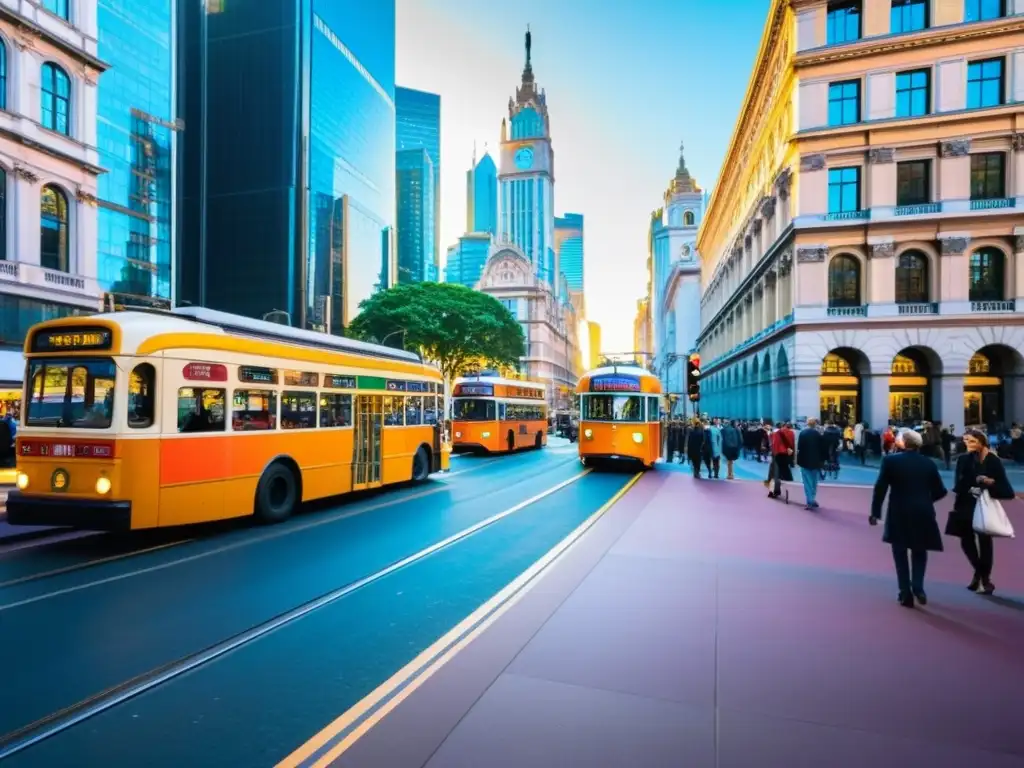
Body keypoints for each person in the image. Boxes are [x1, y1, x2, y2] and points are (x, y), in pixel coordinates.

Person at [869, 429, 947, 607]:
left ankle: (905, 592)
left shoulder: (890, 461)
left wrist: (875, 512)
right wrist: (926, 500)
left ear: (903, 442)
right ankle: (918, 586)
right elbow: (940, 491)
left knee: (900, 551)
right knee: (920, 550)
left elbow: (880, 488)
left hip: (899, 510)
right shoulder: (928, 463)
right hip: (923, 510)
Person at [945, 429, 1015, 594]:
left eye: (971, 441)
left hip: (985, 505)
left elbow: (1007, 490)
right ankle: (980, 572)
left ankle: (985, 579)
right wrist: (972, 485)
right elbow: (958, 485)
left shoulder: (993, 461)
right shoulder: (963, 460)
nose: (967, 444)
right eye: (966, 441)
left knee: (985, 541)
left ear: (981, 442)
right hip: (965, 504)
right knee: (965, 540)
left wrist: (989, 484)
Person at [796, 418, 825, 509]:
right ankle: (812, 498)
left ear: (807, 424)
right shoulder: (818, 434)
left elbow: (799, 447)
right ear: (815, 424)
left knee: (807, 482)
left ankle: (810, 500)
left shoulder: (803, 433)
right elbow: (822, 448)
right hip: (815, 461)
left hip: (804, 461)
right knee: (814, 482)